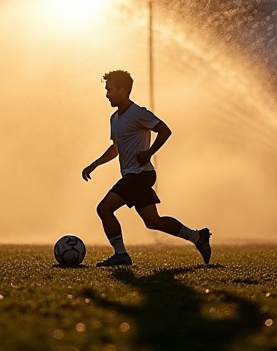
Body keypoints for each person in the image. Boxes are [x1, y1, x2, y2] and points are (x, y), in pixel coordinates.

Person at [82, 70, 211, 266]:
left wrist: (149, 153)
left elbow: (165, 130)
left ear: (123, 90)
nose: (107, 94)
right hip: (135, 175)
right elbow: (116, 148)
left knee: (104, 209)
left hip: (140, 175)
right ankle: (198, 237)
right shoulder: (114, 118)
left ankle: (121, 255)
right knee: (153, 221)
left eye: (110, 89)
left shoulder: (138, 113)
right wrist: (95, 164)